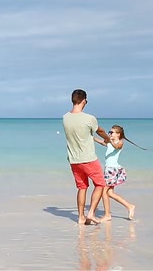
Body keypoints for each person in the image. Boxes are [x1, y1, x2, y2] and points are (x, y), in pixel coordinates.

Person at [63, 89, 111, 225]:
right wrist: (107, 139)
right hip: (88, 158)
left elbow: (83, 135)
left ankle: (80, 217)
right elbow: (100, 130)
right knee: (100, 184)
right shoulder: (89, 118)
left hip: (73, 160)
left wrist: (97, 140)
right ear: (84, 101)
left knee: (82, 187)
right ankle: (91, 213)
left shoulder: (65, 118)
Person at [94, 124, 146, 221]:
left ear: (118, 134)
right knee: (109, 193)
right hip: (108, 169)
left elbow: (117, 147)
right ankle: (129, 206)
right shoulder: (110, 142)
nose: (110, 134)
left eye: (111, 132)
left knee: (103, 192)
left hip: (113, 170)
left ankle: (107, 215)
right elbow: (102, 142)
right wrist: (91, 137)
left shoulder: (120, 142)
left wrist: (109, 140)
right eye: (109, 132)